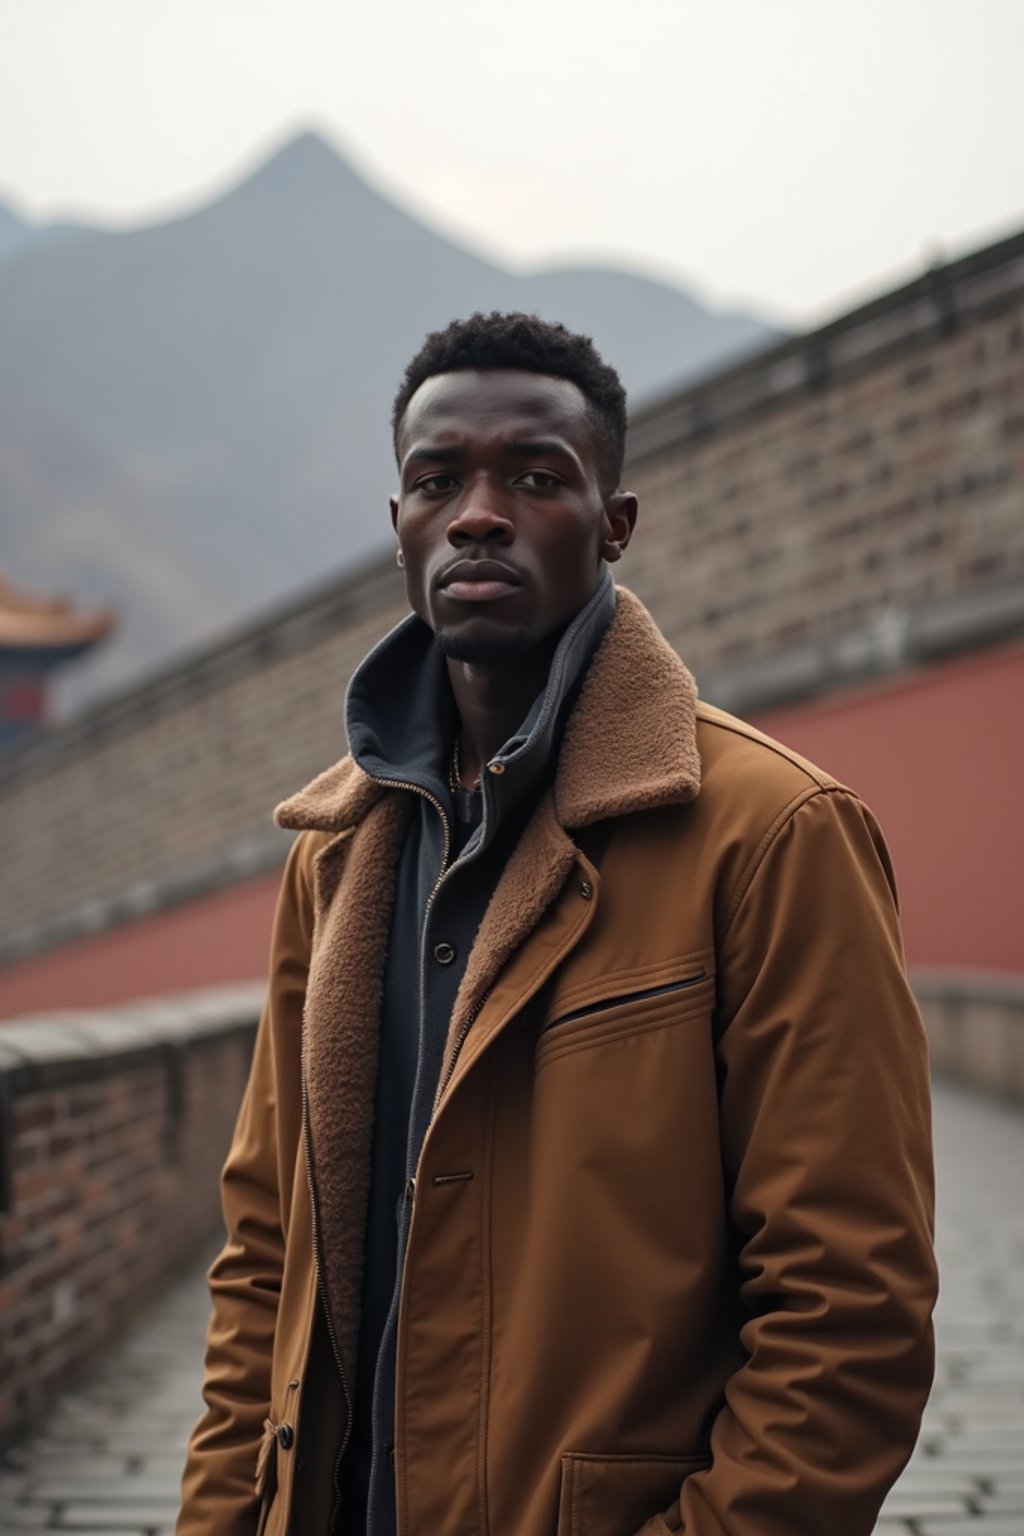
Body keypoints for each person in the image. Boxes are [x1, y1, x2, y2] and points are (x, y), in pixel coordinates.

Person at [177, 312, 937, 1536]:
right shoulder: (333, 855)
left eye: (535, 478)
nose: (479, 513)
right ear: (400, 531)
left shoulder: (771, 834)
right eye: (439, 482)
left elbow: (846, 1314)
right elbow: (264, 1262)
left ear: (613, 523)